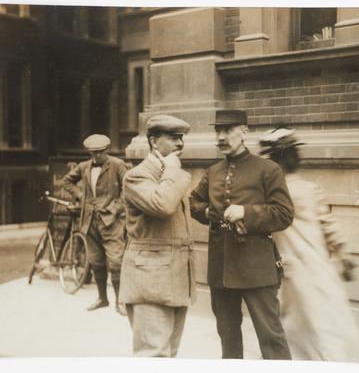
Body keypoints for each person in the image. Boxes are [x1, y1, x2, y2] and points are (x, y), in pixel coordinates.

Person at [190, 109, 294, 360]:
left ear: (244, 131)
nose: (221, 137)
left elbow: (284, 213)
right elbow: (194, 202)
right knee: (228, 338)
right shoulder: (213, 171)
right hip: (221, 268)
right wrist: (210, 212)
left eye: (227, 130)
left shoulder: (268, 169)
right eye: (218, 131)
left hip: (256, 268)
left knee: (271, 338)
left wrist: (246, 213)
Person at [258, 127, 359, 362]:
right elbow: (328, 224)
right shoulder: (309, 189)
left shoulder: (273, 193)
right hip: (318, 268)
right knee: (326, 324)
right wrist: (344, 253)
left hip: (294, 273)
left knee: (304, 330)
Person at [119, 114, 196, 357]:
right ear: (153, 141)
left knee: (169, 354)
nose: (180, 143)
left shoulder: (171, 174)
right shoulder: (137, 176)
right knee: (152, 356)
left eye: (181, 137)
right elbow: (163, 204)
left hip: (175, 279)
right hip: (150, 282)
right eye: (173, 138)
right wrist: (172, 170)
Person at [62, 134, 128, 314]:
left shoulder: (118, 165)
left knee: (116, 262)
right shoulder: (84, 167)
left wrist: (116, 208)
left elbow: (127, 189)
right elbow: (67, 181)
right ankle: (102, 298)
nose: (97, 156)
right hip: (89, 221)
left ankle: (120, 302)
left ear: (107, 150)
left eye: (100, 152)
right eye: (93, 153)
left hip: (111, 222)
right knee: (96, 261)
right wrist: (80, 195)